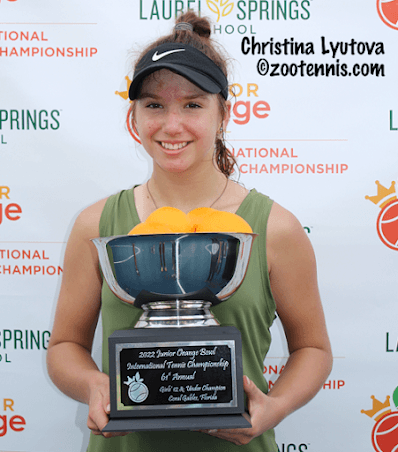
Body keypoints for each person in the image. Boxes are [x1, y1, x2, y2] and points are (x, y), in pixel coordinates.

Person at [47, 11, 332, 452]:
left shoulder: (275, 228)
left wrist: (274, 408)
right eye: (154, 105)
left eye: (193, 104)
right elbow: (65, 346)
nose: (171, 124)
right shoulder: (97, 223)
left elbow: (313, 349)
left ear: (224, 114)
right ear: (134, 118)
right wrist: (93, 385)